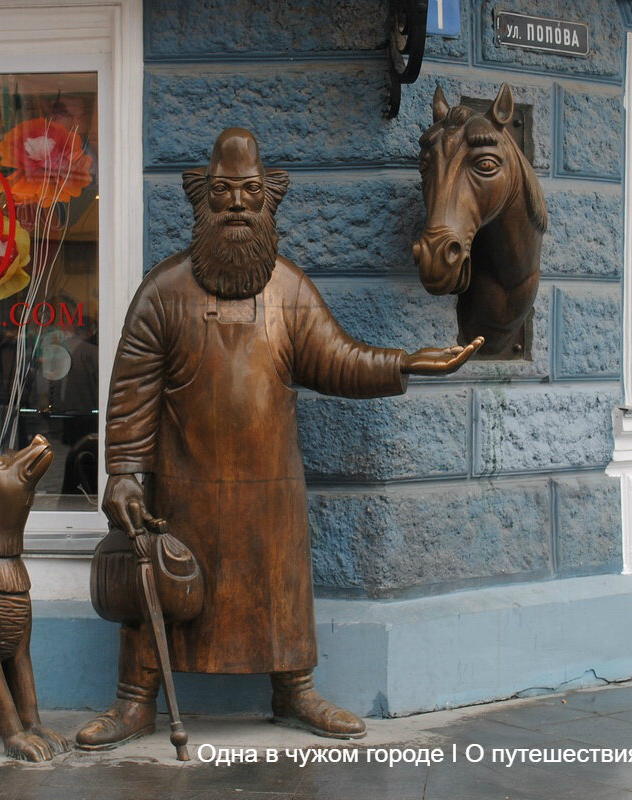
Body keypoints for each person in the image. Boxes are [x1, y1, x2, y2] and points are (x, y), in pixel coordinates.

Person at [76, 128, 481, 749]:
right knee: (155, 583)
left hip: (271, 490)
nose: (236, 203)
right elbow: (132, 394)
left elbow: (338, 358)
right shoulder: (164, 292)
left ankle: (293, 691)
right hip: (182, 491)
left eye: (249, 192)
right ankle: (136, 702)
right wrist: (124, 472)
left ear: (270, 199)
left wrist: (405, 363)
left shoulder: (289, 291)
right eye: (222, 192)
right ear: (200, 199)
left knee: (281, 584)